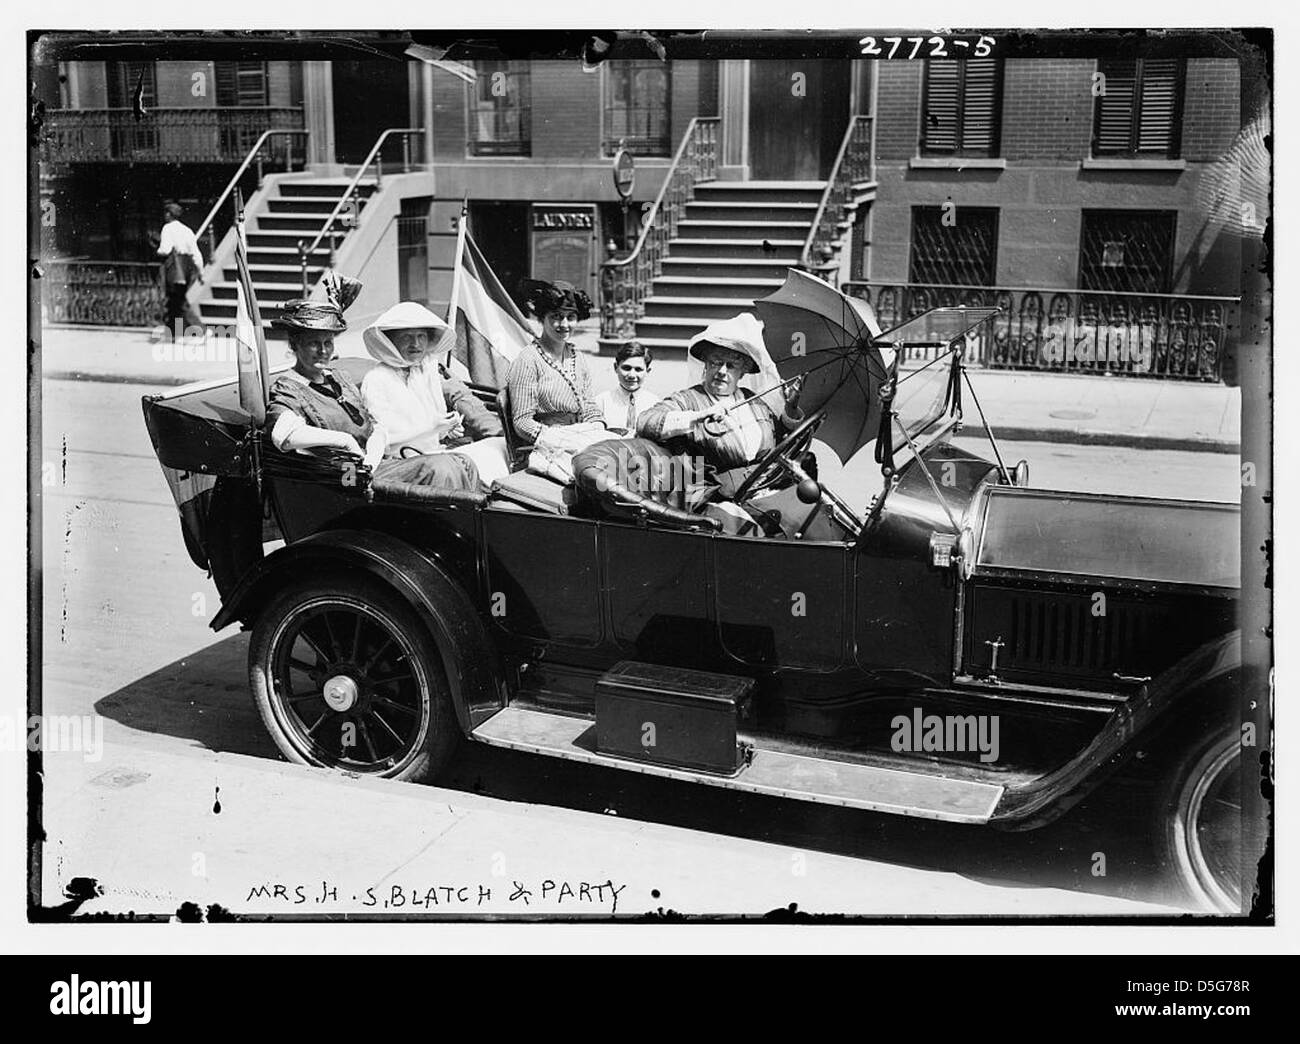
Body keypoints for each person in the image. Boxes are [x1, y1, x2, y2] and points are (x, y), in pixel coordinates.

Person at [265, 298, 481, 493]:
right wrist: (344, 440)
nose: (323, 351)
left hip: (373, 464)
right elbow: (284, 434)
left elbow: (374, 425)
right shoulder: (288, 387)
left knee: (464, 462)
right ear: (295, 345)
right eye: (314, 343)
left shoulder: (339, 378)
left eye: (328, 343)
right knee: (440, 467)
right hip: (344, 477)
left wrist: (372, 455)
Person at [636, 313, 803, 527]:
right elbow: (645, 421)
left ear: (742, 372)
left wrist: (790, 407)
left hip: (764, 490)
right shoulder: (689, 399)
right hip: (717, 500)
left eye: (731, 366)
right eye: (715, 363)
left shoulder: (753, 401)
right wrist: (697, 417)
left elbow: (782, 440)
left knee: (814, 512)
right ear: (705, 366)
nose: (722, 372)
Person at [359, 301, 510, 489]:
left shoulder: (425, 370)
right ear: (390, 341)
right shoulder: (376, 379)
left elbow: (458, 398)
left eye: (421, 336)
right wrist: (432, 427)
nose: (415, 344)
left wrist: (446, 429)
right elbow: (384, 439)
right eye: (406, 337)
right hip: (404, 463)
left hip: (437, 452)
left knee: (500, 446)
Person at [504, 279, 605, 444]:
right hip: (547, 444)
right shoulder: (528, 360)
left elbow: (588, 405)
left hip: (580, 437)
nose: (564, 324)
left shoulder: (577, 357)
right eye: (556, 317)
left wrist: (597, 426)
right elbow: (522, 423)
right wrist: (560, 439)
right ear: (542, 318)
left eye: (570, 317)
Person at [156, 201, 204, 341]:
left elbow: (165, 249)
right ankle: (176, 334)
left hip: (175, 267)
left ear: (169, 214)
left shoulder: (168, 228)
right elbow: (196, 253)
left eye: (166, 212)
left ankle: (200, 329)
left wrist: (157, 250)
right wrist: (200, 272)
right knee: (175, 301)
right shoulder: (187, 230)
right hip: (187, 267)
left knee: (178, 300)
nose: (165, 215)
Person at [594, 341, 653, 436]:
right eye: (626, 368)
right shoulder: (601, 401)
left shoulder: (654, 403)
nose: (632, 375)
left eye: (638, 369)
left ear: (647, 371)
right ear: (616, 368)